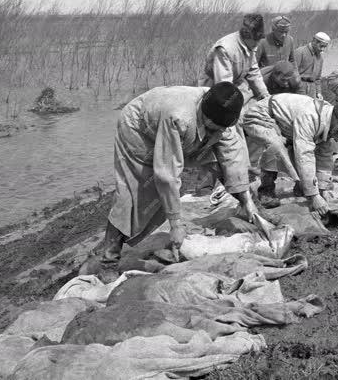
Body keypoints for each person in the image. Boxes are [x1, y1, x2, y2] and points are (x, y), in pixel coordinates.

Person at [80, 82, 259, 282]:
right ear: (204, 115)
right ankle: (108, 261)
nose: (216, 131)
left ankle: (112, 244)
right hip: (139, 132)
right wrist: (175, 224)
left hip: (181, 132)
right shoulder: (179, 116)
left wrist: (246, 200)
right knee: (133, 196)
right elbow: (167, 174)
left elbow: (232, 156)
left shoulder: (225, 114)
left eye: (219, 129)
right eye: (211, 128)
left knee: (219, 163)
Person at [242, 93, 338, 210]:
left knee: (304, 164)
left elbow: (324, 157)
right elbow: (304, 155)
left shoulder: (327, 121)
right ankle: (266, 190)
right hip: (261, 117)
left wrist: (322, 188)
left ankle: (302, 187)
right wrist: (314, 196)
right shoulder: (310, 117)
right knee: (277, 147)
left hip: (284, 127)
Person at [199, 14, 269, 105]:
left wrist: (265, 96)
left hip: (234, 84)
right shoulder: (225, 49)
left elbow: (254, 74)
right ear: (246, 36)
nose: (257, 43)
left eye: (259, 40)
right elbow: (224, 85)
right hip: (214, 89)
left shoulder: (250, 46)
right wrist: (234, 104)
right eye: (255, 40)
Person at [294, 32, 330, 99]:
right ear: (314, 41)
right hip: (300, 86)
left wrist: (318, 92)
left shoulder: (320, 58)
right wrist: (298, 87)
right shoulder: (300, 52)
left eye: (325, 47)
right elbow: (293, 72)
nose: (322, 49)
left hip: (313, 89)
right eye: (321, 46)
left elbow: (318, 78)